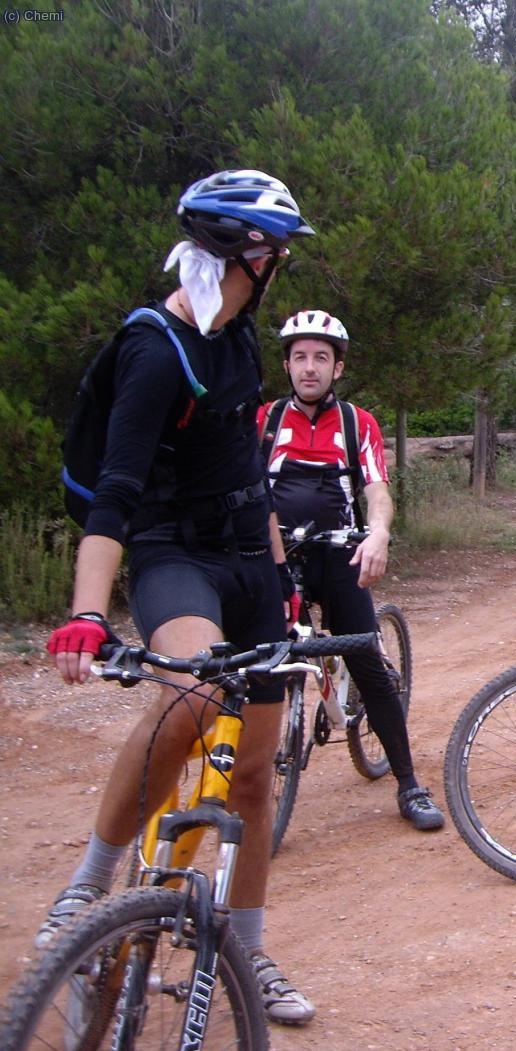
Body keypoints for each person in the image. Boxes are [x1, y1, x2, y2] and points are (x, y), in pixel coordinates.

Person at [40, 171, 321, 1023]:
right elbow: (114, 493)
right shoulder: (156, 348)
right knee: (193, 695)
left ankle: (248, 948)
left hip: (247, 558)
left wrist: (285, 584)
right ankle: (86, 889)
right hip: (173, 553)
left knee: (255, 781)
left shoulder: (236, 337)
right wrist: (89, 612)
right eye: (276, 249)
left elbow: (246, 474)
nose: (281, 262)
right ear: (249, 253)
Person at [259, 309, 444, 832]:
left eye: (321, 357)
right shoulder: (265, 422)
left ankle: (409, 783)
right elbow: (248, 493)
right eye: (300, 357)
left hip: (340, 554)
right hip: (280, 558)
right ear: (287, 365)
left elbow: (377, 491)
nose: (310, 368)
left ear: (337, 368)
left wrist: (378, 533)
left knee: (368, 662)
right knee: (256, 665)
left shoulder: (355, 423)